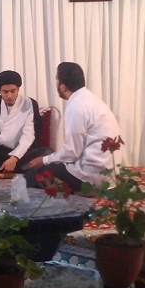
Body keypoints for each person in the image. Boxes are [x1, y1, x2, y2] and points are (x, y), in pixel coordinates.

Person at [25, 62, 121, 192]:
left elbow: (71, 154)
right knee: (51, 164)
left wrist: (44, 160)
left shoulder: (76, 107)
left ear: (63, 87)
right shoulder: (92, 100)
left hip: (89, 176)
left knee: (31, 177)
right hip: (109, 175)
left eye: (57, 80)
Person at [0, 70, 53, 173]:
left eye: (13, 91)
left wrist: (14, 158)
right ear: (0, 91)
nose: (9, 96)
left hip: (23, 152)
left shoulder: (29, 103)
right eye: (5, 92)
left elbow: (28, 136)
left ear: (18, 89)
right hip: (0, 153)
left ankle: (8, 167)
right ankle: (19, 168)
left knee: (47, 152)